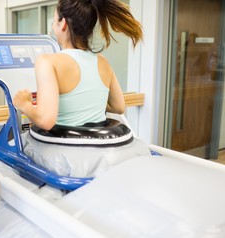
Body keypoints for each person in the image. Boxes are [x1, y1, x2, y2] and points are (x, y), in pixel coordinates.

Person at [12, 0, 148, 177]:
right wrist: (87, 101)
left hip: (66, 157)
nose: (53, 26)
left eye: (54, 21)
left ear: (63, 24)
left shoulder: (48, 61)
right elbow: (119, 107)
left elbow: (46, 121)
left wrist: (24, 104)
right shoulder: (103, 62)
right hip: (102, 156)